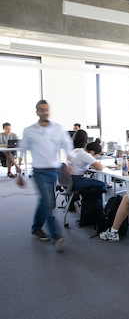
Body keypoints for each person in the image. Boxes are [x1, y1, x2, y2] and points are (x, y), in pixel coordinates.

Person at [17, 100, 74, 251]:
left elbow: (67, 144)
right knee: (49, 202)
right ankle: (57, 237)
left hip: (53, 171)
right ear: (37, 112)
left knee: (45, 201)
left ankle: (36, 228)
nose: (45, 112)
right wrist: (19, 173)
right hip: (39, 171)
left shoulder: (57, 128)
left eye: (47, 110)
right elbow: (22, 151)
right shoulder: (29, 130)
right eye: (42, 110)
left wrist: (70, 160)